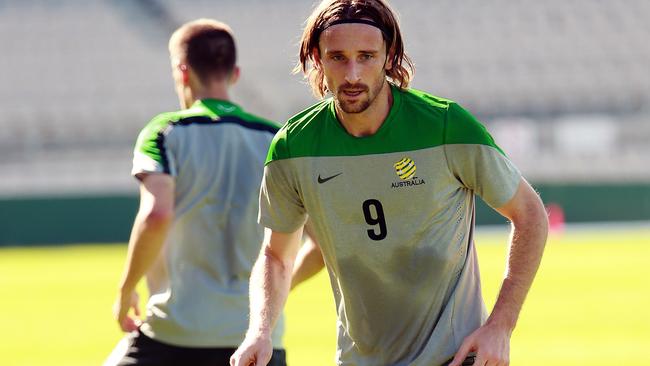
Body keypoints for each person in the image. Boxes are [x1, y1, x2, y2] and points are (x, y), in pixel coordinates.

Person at [231, 1, 549, 365]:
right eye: (338, 57)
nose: (352, 74)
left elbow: (530, 214)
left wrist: (501, 326)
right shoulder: (293, 147)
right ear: (317, 59)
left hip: (455, 358)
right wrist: (259, 330)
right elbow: (276, 255)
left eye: (366, 56)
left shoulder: (446, 126)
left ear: (389, 56)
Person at [106, 18, 290, 366]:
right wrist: (272, 291)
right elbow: (316, 244)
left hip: (175, 334)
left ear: (182, 71)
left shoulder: (164, 131)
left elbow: (157, 214)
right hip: (258, 337)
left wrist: (125, 290)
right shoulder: (276, 140)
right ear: (235, 74)